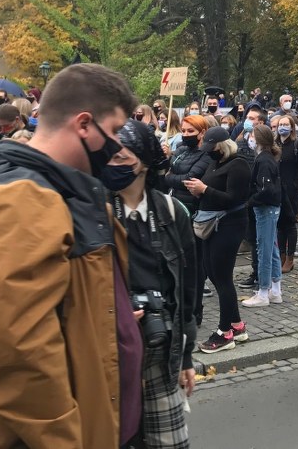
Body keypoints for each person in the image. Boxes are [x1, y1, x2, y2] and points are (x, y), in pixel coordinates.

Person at [0, 65, 143, 447]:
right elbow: (18, 350)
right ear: (84, 124)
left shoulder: (46, 189)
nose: (118, 148)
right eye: (113, 132)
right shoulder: (24, 199)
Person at [107, 119, 198, 447]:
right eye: (109, 157)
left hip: (161, 352)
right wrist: (114, 314)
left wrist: (186, 356)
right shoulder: (95, 211)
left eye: (122, 158)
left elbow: (188, 292)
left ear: (144, 161)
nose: (113, 165)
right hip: (111, 356)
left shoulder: (173, 212)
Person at [184, 126, 251, 353]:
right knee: (212, 272)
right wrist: (198, 190)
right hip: (211, 224)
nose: (208, 151)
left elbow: (234, 198)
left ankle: (225, 332)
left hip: (229, 225)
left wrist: (204, 190)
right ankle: (237, 324)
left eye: (211, 148)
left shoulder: (238, 165)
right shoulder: (217, 162)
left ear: (221, 146)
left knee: (222, 277)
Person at [164, 115, 213, 320]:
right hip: (176, 208)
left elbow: (188, 179)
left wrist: (170, 177)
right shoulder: (182, 151)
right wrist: (167, 159)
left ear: (201, 133)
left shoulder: (206, 155)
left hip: (193, 212)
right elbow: (168, 173)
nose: (185, 135)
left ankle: (195, 308)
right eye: (183, 131)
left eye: (190, 131)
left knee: (195, 263)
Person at [242, 124, 284, 308]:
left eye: (251, 135)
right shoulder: (266, 158)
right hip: (270, 208)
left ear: (257, 139)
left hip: (266, 208)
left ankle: (263, 291)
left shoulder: (264, 160)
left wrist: (250, 200)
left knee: (264, 249)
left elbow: (266, 190)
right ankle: (275, 289)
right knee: (271, 247)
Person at [275, 113, 298, 273]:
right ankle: (282, 255)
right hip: (277, 189)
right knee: (279, 225)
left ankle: (290, 257)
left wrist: (295, 186)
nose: (282, 127)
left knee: (290, 225)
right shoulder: (275, 144)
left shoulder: (297, 144)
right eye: (280, 124)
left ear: (291, 127)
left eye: (285, 124)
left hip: (291, 190)